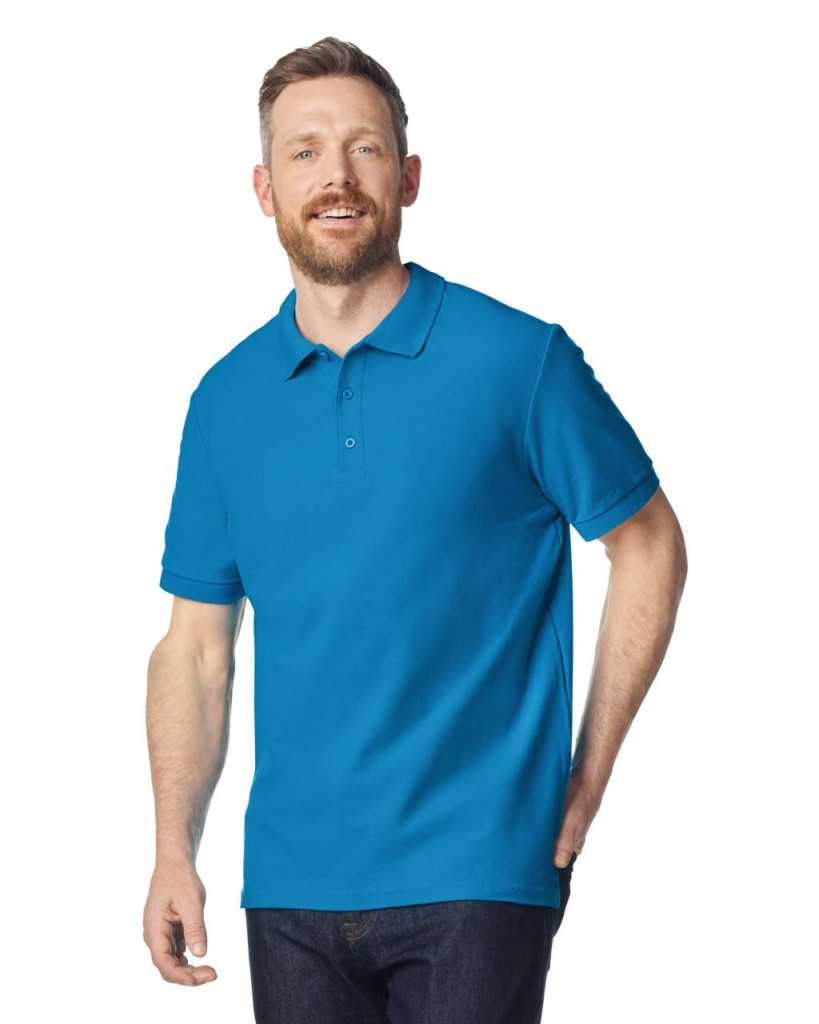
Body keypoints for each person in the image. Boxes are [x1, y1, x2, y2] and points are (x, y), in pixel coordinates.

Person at [142, 35, 687, 1023]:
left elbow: (648, 543)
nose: (336, 176)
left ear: (409, 177)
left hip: (476, 870)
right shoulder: (225, 402)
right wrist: (173, 849)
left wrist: (589, 773)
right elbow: (195, 648)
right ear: (265, 189)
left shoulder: (518, 361)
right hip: (291, 886)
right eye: (305, 152)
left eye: (365, 147)